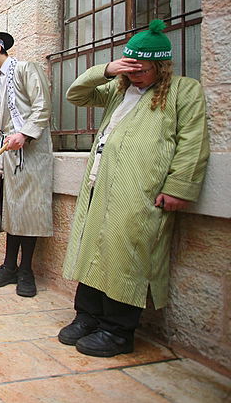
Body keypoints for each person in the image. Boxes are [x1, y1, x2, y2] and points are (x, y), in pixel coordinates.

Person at [57, 20, 209, 357]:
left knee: (126, 255)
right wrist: (108, 69)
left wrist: (179, 187)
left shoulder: (185, 91)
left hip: (140, 189)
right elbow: (76, 95)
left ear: (161, 66)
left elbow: (193, 142)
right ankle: (87, 316)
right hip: (100, 182)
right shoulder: (118, 88)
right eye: (131, 67)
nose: (136, 74)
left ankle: (118, 331)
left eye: (143, 69)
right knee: (91, 249)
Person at [0, 28, 53, 297]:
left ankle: (26, 270)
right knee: (10, 208)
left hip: (29, 152)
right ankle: (9, 266)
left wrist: (25, 134)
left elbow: (42, 107)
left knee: (27, 210)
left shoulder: (26, 69)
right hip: (4, 152)